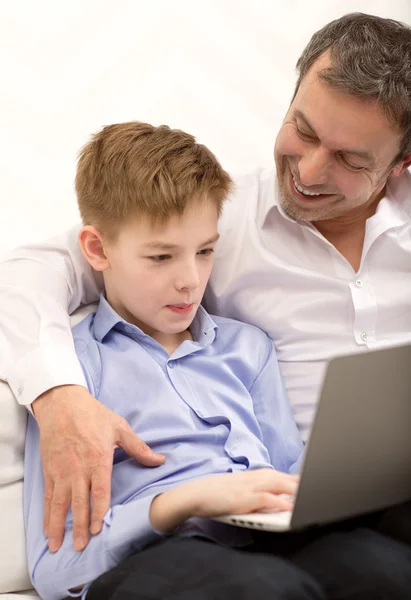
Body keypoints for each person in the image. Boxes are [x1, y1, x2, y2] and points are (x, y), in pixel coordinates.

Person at [1, 12, 411, 552]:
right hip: (298, 515)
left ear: (401, 163)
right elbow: (32, 272)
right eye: (303, 130)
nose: (308, 172)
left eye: (350, 160)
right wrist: (58, 394)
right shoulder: (213, 224)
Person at [24, 121, 411, 600]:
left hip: (259, 541)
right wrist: (187, 501)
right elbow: (54, 567)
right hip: (156, 554)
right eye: (162, 257)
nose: (190, 279)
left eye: (205, 251)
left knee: (383, 569)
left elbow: (289, 476)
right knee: (264, 587)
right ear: (98, 249)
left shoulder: (247, 348)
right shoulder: (71, 371)